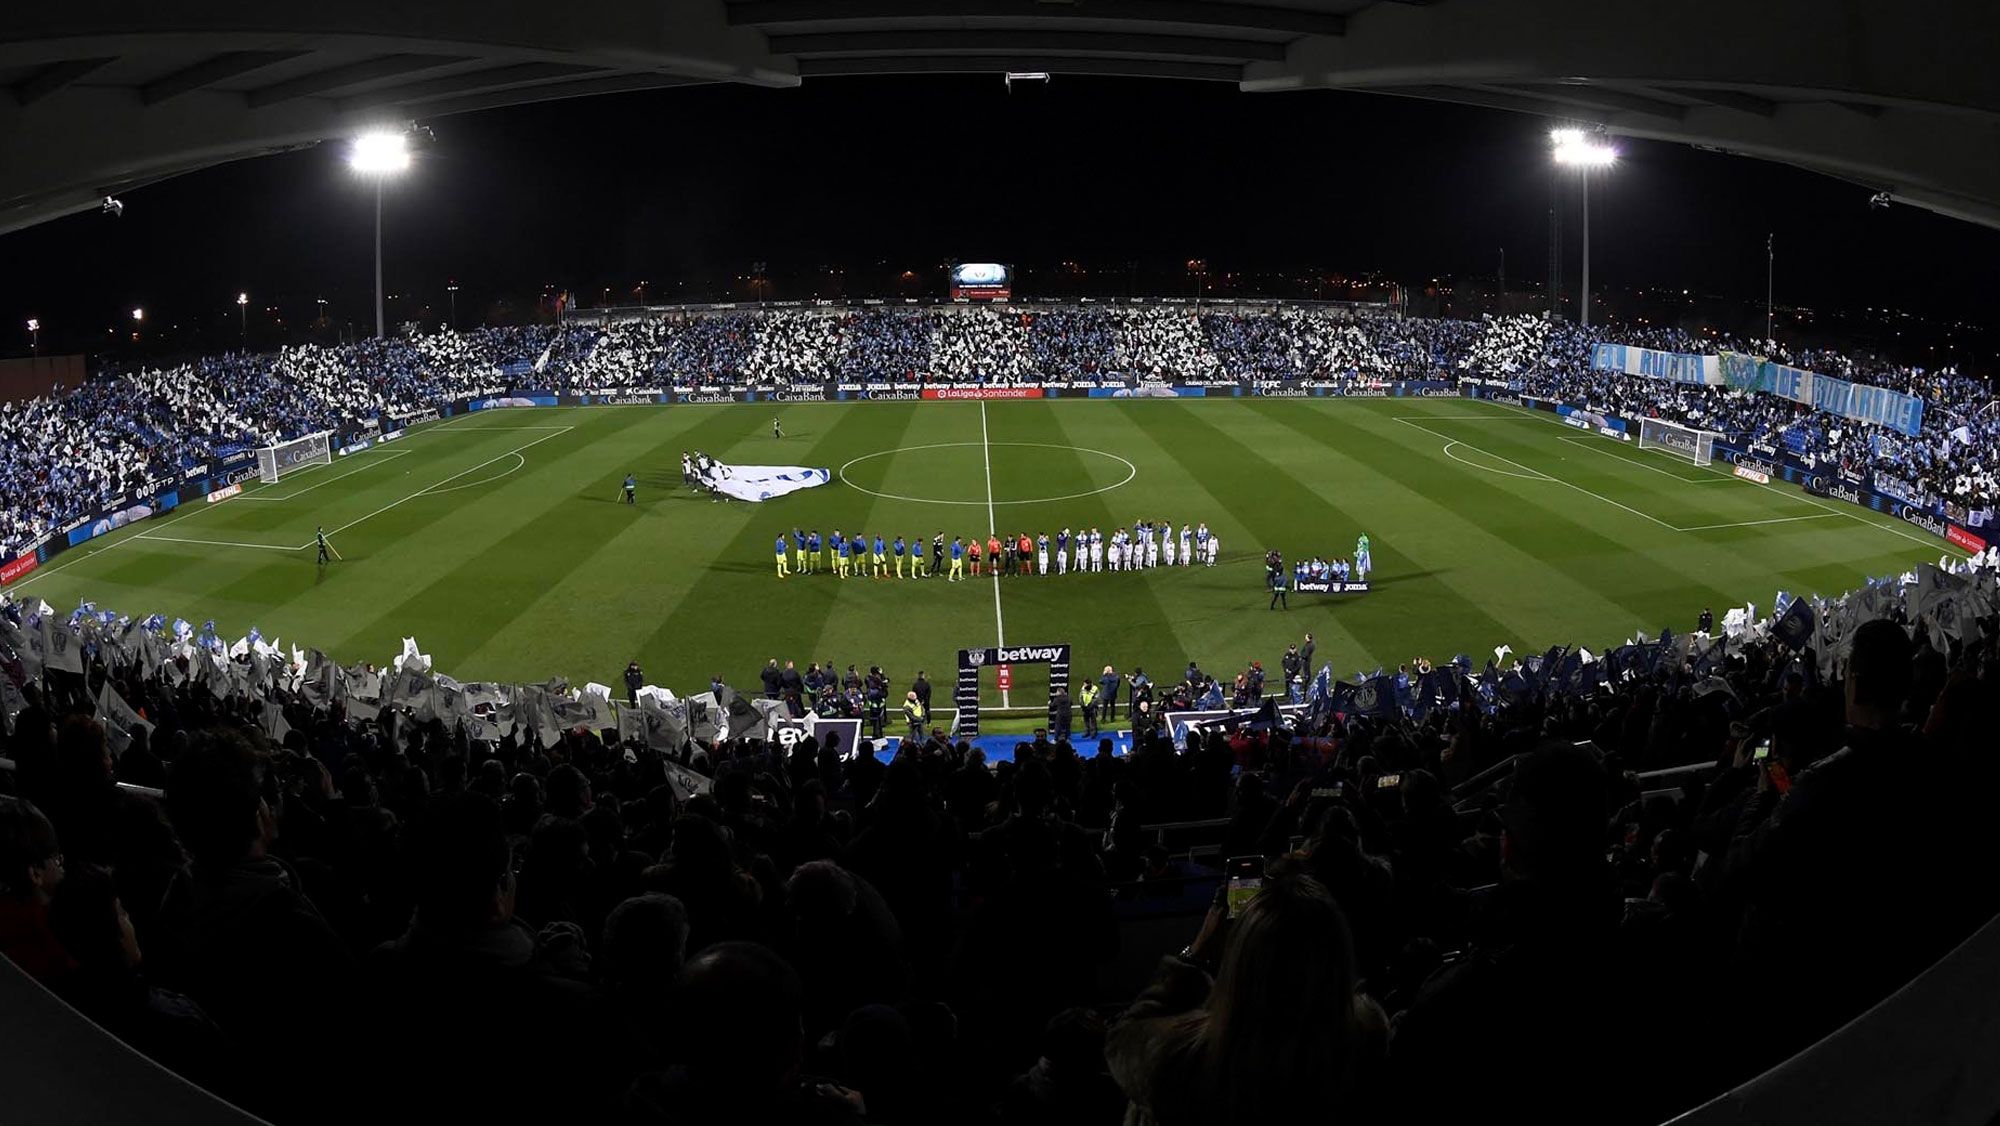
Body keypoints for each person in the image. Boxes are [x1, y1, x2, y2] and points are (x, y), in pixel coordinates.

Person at [1106, 875, 1381, 1126]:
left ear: (1240, 962)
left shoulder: (1184, 1062)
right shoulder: (1364, 1043)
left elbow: (1124, 1038)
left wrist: (1196, 951)